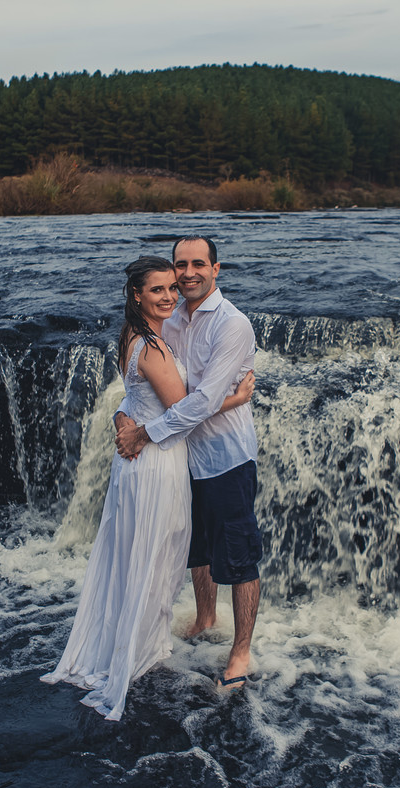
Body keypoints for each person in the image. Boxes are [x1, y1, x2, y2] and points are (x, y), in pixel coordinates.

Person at [41, 255, 252, 721]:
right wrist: (236, 397)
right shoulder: (154, 346)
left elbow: (135, 397)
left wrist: (124, 417)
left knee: (135, 553)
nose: (169, 296)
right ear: (137, 295)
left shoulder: (132, 336)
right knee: (155, 554)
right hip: (156, 463)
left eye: (172, 288)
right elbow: (187, 407)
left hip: (139, 462)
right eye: (158, 289)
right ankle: (136, 653)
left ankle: (128, 645)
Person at [115, 235, 261, 691]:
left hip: (223, 458)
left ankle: (241, 651)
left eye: (199, 263)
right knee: (196, 549)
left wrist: (144, 433)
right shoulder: (170, 316)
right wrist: (122, 416)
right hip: (180, 459)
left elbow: (202, 401)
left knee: (239, 556)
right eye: (181, 264)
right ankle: (203, 616)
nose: (189, 272)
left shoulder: (232, 325)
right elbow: (146, 384)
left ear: (217, 269)